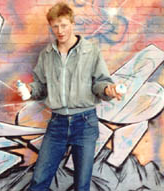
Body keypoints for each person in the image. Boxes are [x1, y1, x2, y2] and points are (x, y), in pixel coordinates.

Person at [24, 2, 123, 191]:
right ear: (51, 27)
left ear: (72, 23)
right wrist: (30, 90)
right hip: (57, 124)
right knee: (39, 181)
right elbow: (41, 87)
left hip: (85, 123)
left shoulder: (90, 51)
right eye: (55, 26)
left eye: (63, 25)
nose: (59, 30)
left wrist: (108, 90)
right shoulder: (47, 55)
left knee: (81, 184)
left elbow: (100, 82)